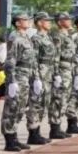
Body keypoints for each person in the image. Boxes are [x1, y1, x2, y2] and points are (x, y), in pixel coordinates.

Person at [0, 14, 38, 152]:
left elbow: (32, 60)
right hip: (18, 76)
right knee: (12, 107)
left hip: (26, 75)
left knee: (21, 107)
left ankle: (14, 136)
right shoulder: (14, 37)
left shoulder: (26, 37)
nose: (28, 22)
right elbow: (11, 60)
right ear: (17, 23)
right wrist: (11, 80)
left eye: (28, 19)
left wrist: (36, 77)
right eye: (24, 20)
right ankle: (9, 140)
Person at [25, 12, 56, 146]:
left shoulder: (47, 37)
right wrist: (36, 78)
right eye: (46, 20)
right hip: (40, 74)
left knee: (44, 103)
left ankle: (37, 131)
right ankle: (33, 132)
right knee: (36, 104)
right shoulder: (36, 39)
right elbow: (34, 60)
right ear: (39, 23)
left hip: (48, 74)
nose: (49, 22)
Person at [48, 13, 76, 139]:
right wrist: (56, 73)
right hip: (62, 70)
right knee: (58, 99)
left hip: (69, 69)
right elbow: (56, 56)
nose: (69, 20)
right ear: (59, 22)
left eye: (69, 18)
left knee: (65, 99)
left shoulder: (67, 35)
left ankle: (59, 126)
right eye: (66, 19)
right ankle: (55, 128)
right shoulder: (58, 36)